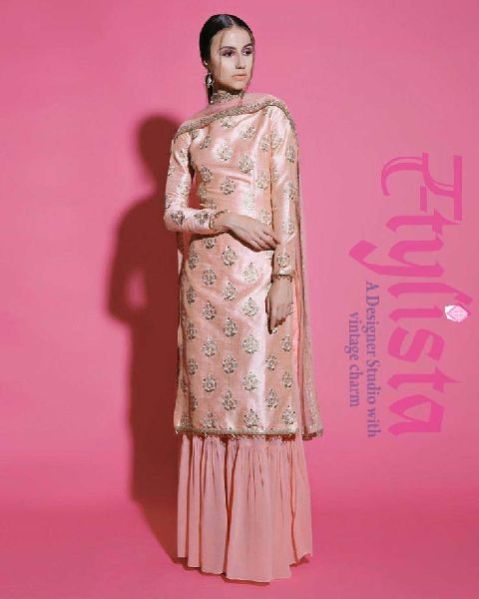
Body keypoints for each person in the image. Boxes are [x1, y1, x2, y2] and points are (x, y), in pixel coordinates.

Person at [162, 14, 324, 582]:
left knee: (257, 405)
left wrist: (284, 277)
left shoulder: (271, 116)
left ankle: (260, 545)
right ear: (205, 62)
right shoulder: (189, 133)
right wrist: (225, 217)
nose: (240, 62)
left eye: (247, 50)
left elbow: (286, 200)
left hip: (258, 281)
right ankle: (215, 545)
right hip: (204, 286)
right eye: (227, 52)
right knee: (213, 411)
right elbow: (172, 213)